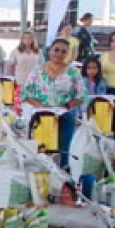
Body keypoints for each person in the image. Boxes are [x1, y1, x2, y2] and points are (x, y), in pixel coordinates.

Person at [21, 38, 84, 166]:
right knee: (43, 149)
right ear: (49, 51)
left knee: (63, 149)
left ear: (67, 54)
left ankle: (63, 178)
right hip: (42, 116)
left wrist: (66, 106)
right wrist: (41, 106)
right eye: (56, 50)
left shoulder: (73, 72)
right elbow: (25, 93)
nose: (59, 54)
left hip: (65, 116)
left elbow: (82, 96)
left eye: (63, 51)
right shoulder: (38, 70)